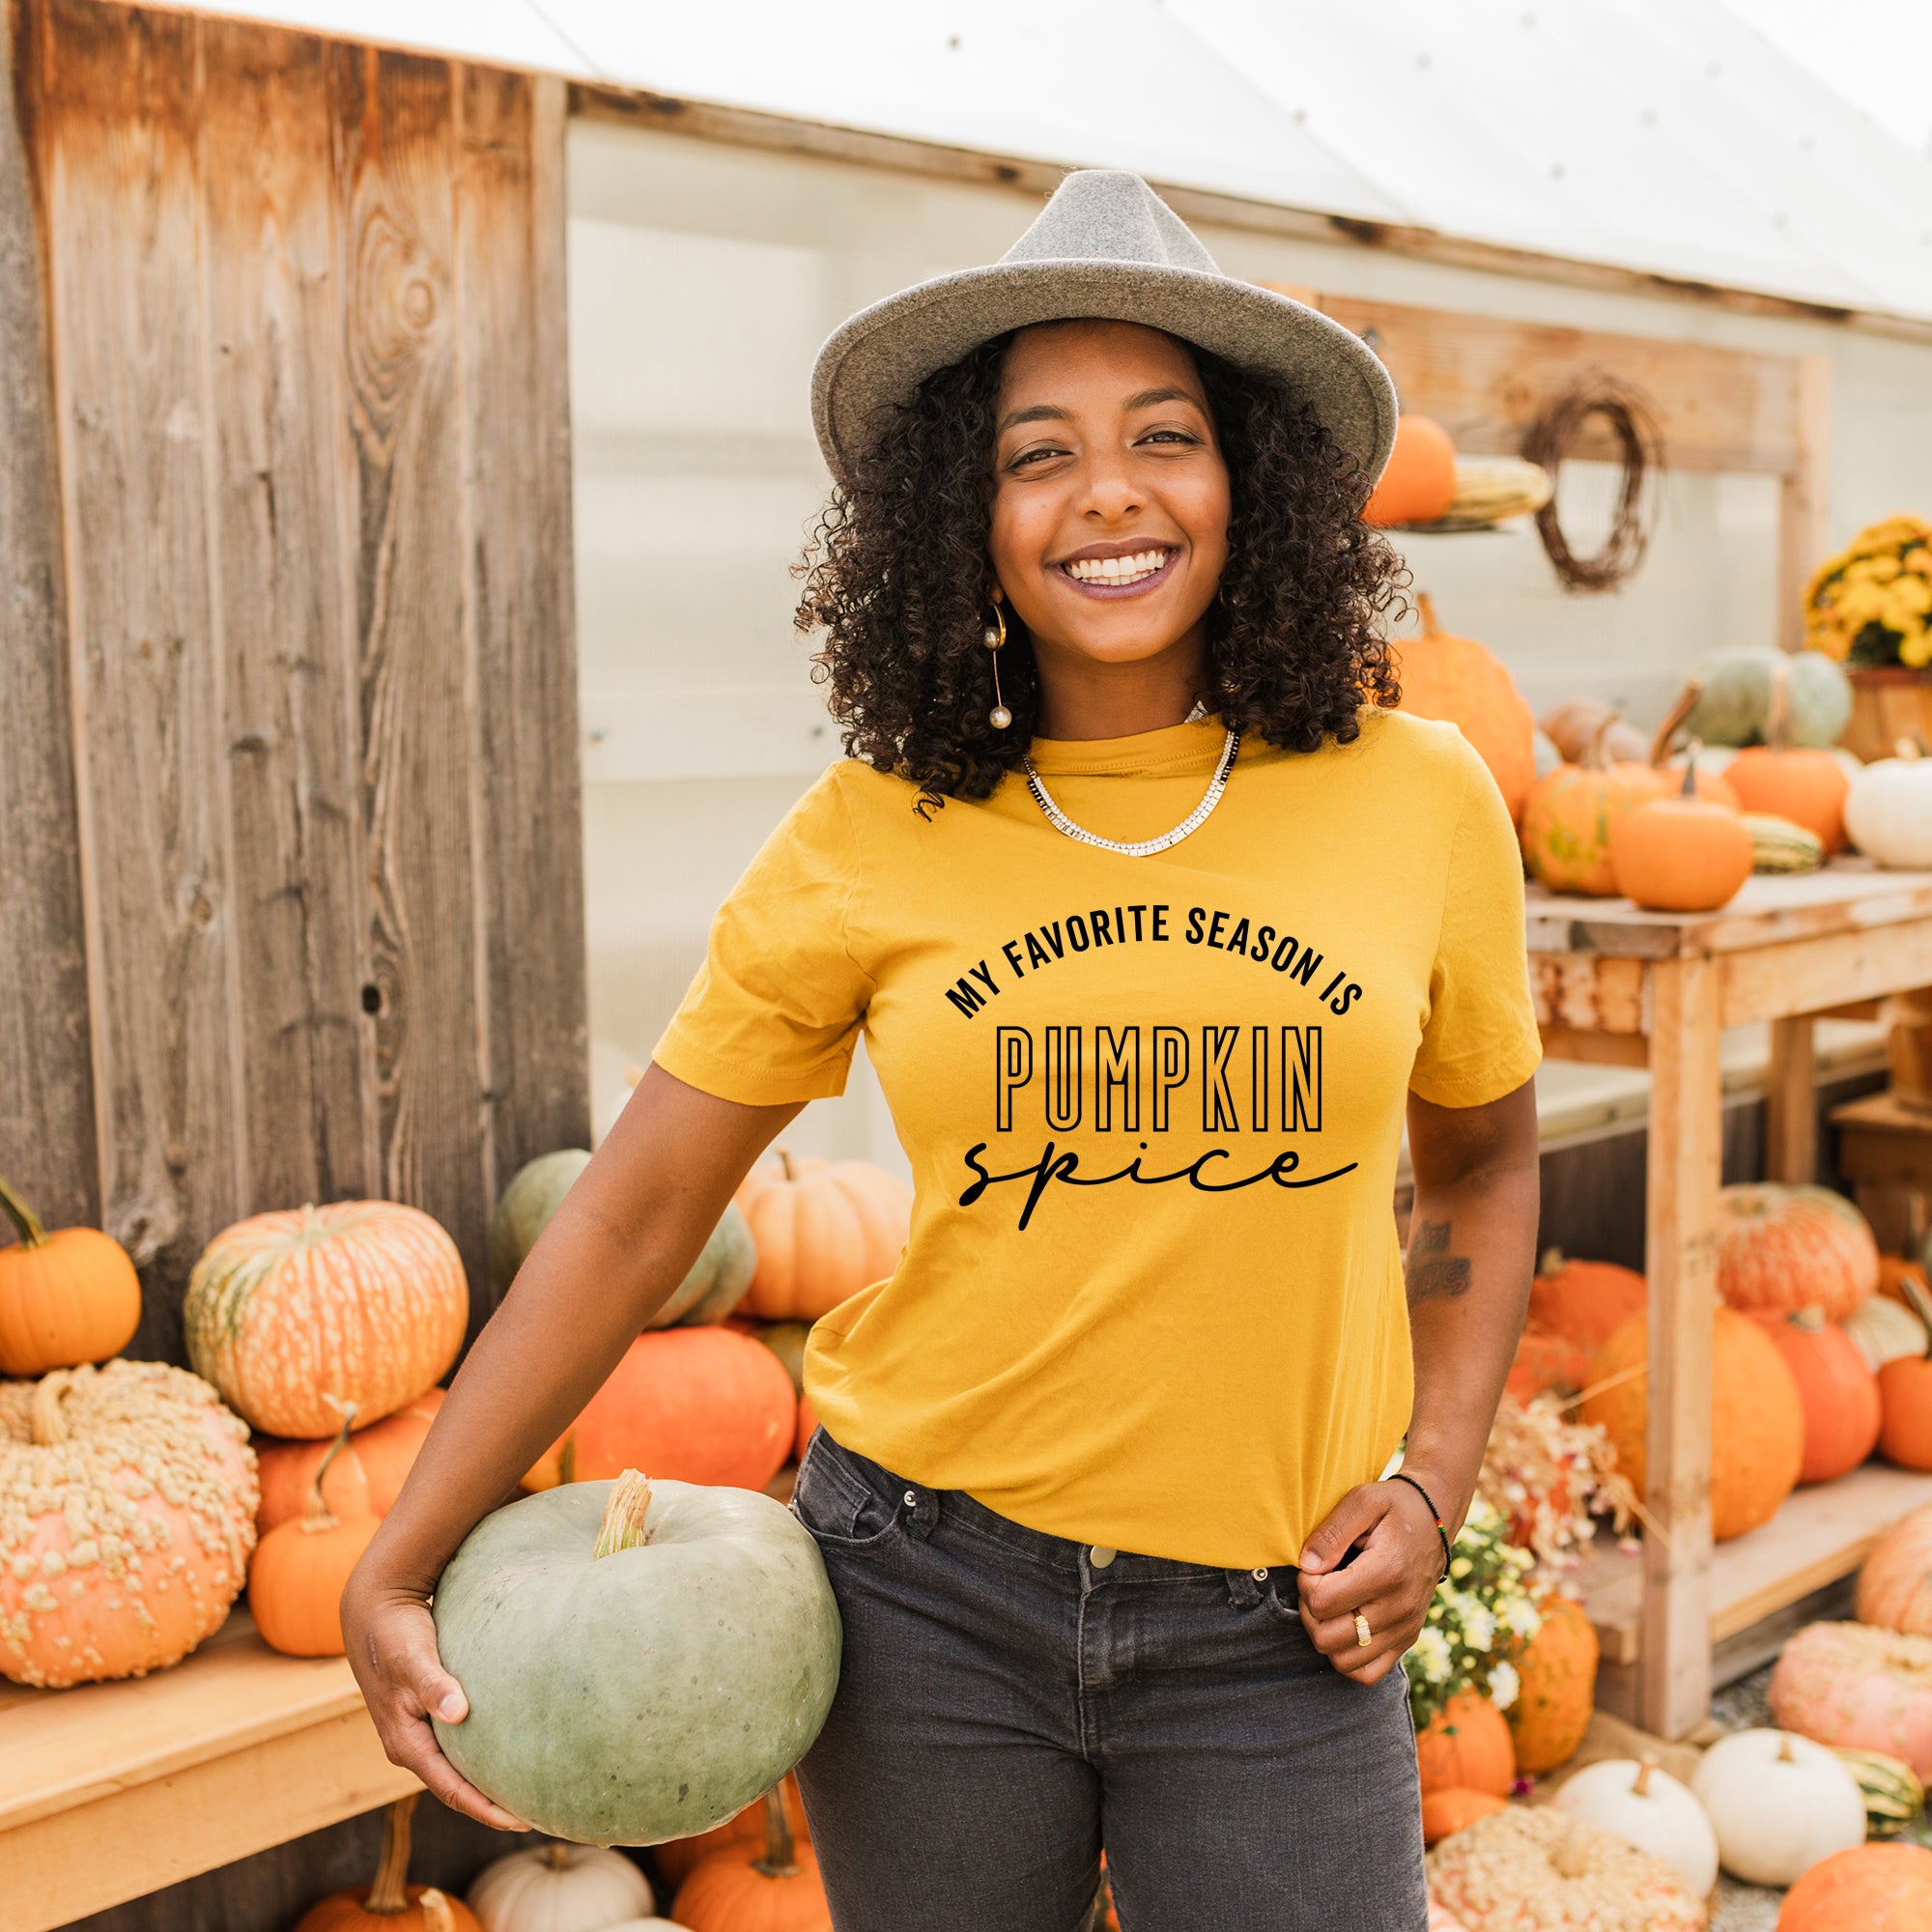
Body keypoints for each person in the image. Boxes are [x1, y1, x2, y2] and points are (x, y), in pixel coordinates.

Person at [344, 170, 1542, 1932]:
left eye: (1166, 435)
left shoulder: (1414, 793)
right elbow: (631, 1212)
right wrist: (400, 1546)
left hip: (1279, 1618)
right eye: (1033, 452)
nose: (1107, 493)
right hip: (927, 1598)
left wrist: (1435, 1484)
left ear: (1256, 481)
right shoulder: (875, 828)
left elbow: (1489, 1167)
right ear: (958, 516)